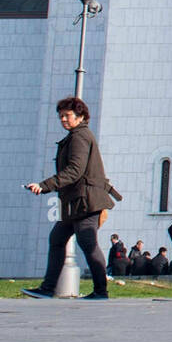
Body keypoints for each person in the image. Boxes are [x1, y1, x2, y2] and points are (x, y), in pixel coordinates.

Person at [23, 95, 116, 300]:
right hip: (77, 203)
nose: (63, 120)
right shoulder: (77, 135)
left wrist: (43, 186)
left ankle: (101, 291)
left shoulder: (79, 137)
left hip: (85, 201)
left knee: (87, 243)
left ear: (80, 116)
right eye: (61, 117)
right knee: (58, 239)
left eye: (67, 116)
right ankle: (48, 289)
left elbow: (75, 171)